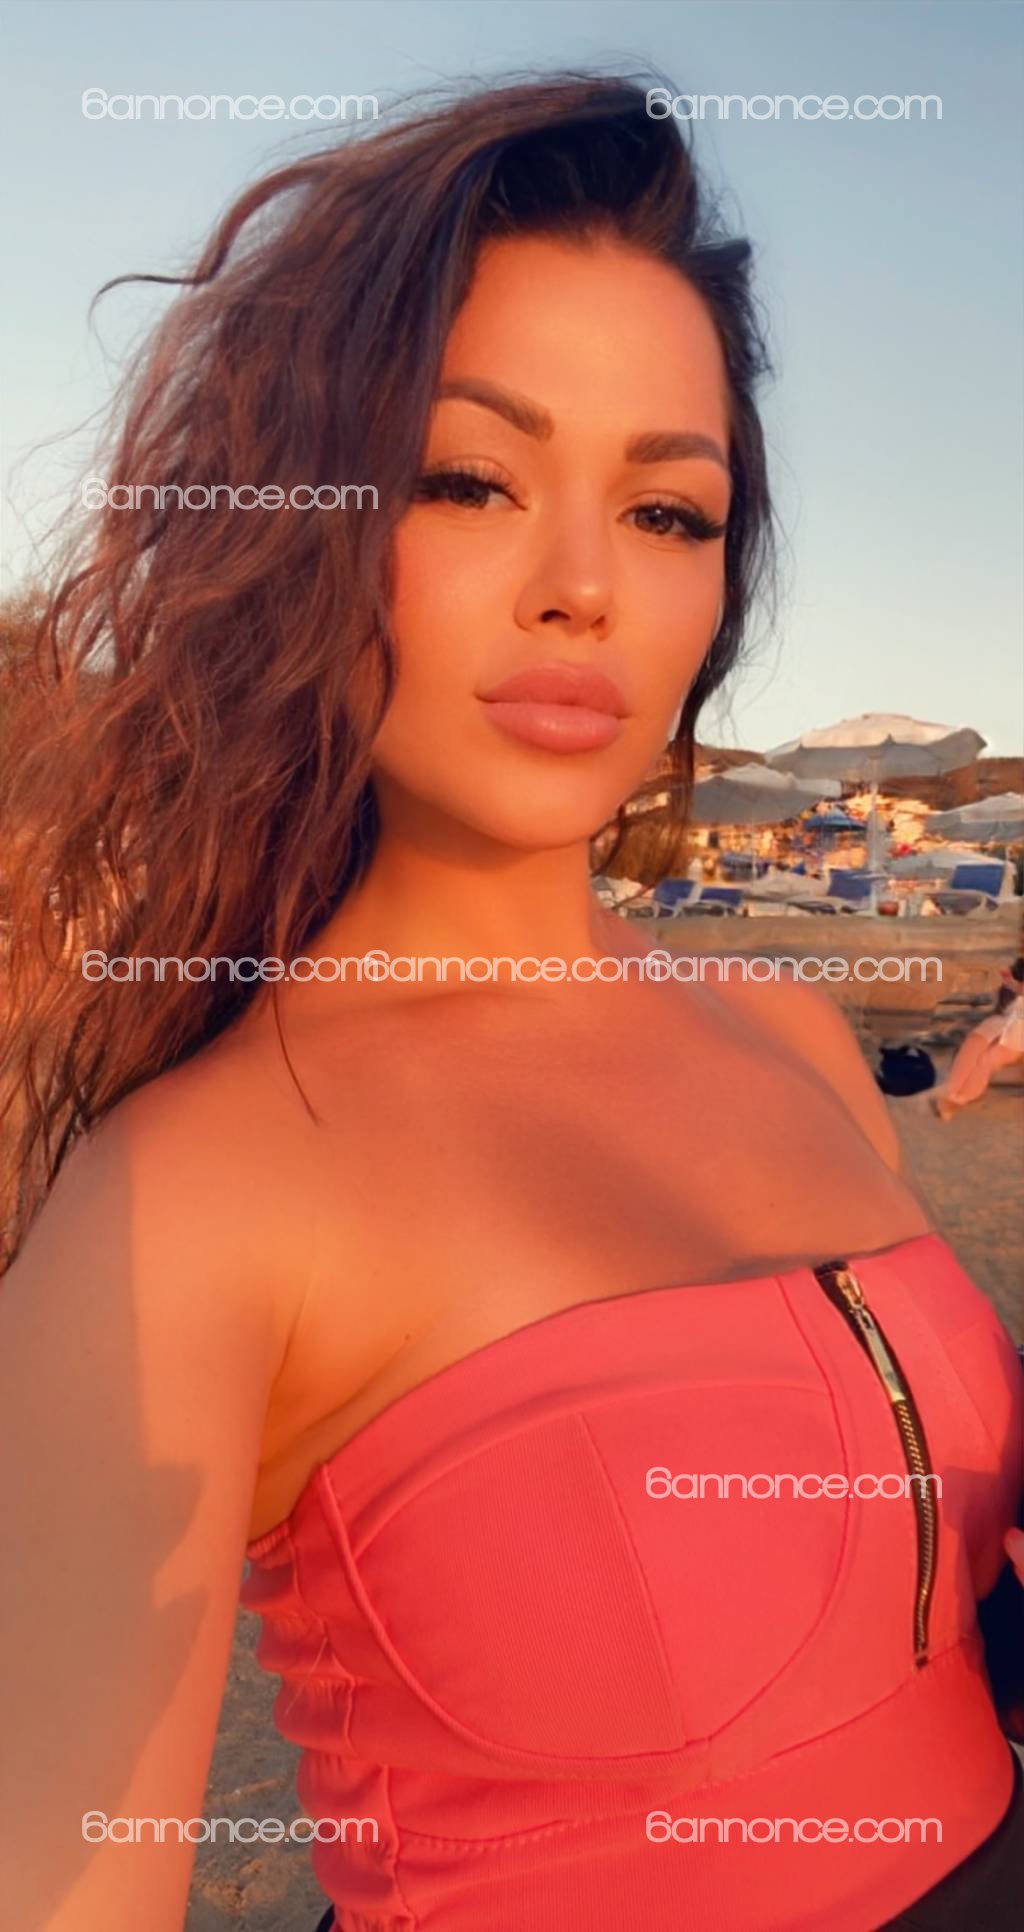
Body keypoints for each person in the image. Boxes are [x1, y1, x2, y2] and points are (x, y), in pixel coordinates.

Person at [1, 75, 1021, 1932]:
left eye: (666, 509)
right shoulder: (183, 1202)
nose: (582, 590)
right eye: (467, 480)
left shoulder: (787, 1031)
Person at [933, 957, 1024, 1120]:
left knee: (990, 1056)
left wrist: (1016, 987)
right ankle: (951, 1091)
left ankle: (959, 1098)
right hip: (1009, 1017)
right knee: (976, 1040)